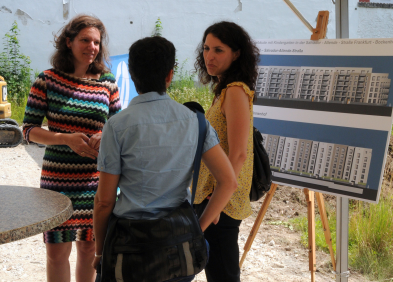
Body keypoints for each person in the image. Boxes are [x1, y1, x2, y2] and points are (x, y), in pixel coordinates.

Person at [92, 36, 238, 282]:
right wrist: (197, 230)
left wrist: (99, 251)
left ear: (131, 74)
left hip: (129, 246)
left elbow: (104, 202)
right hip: (178, 247)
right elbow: (229, 182)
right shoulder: (196, 122)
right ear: (170, 75)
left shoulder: (117, 126)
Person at [22, 14, 121, 282]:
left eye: (97, 42)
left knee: (90, 248)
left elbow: (118, 127)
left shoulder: (107, 82)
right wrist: (65, 138)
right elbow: (29, 130)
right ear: (68, 41)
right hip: (57, 181)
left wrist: (104, 135)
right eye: (85, 40)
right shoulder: (47, 80)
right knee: (56, 253)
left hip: (95, 181)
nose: (92, 47)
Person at [193, 21, 259, 282]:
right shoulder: (223, 90)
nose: (209, 56)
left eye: (219, 50)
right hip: (215, 193)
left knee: (223, 273)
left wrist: (218, 201)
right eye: (207, 48)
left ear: (237, 53)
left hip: (221, 198)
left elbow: (240, 153)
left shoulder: (234, 91)